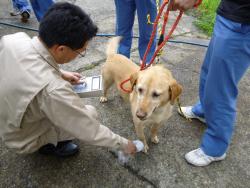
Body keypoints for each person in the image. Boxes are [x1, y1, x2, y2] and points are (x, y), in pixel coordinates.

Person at [0, 2, 136, 157]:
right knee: (90, 113)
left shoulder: (13, 39)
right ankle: (49, 145)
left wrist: (61, 73)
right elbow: (89, 129)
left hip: (6, 117)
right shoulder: (53, 90)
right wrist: (125, 144)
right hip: (20, 139)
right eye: (81, 52)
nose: (80, 54)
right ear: (61, 49)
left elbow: (31, 60)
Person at [173, 0, 250, 166]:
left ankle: (215, 148)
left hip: (244, 22)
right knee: (208, 74)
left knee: (221, 87)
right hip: (229, 14)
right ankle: (205, 111)